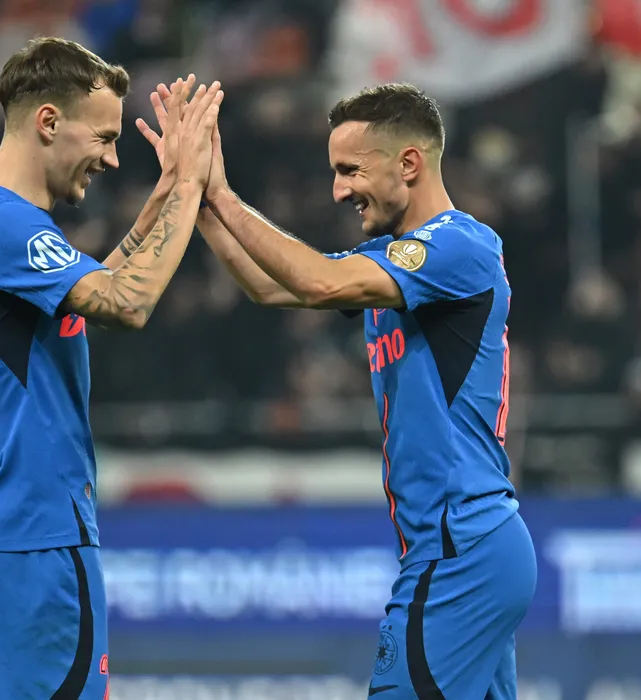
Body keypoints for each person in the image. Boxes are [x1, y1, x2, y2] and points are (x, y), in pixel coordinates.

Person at [139, 82, 536, 699]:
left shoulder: (459, 247)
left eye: (351, 170)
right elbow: (272, 287)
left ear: (409, 163)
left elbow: (320, 282)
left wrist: (221, 194)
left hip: (459, 548)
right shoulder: (395, 258)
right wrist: (198, 192)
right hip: (466, 547)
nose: (338, 189)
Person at [0, 37, 222, 699]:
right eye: (104, 137)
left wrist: (165, 195)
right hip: (37, 542)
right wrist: (192, 185)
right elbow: (126, 302)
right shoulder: (7, 227)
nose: (112, 158)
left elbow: (89, 293)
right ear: (49, 122)